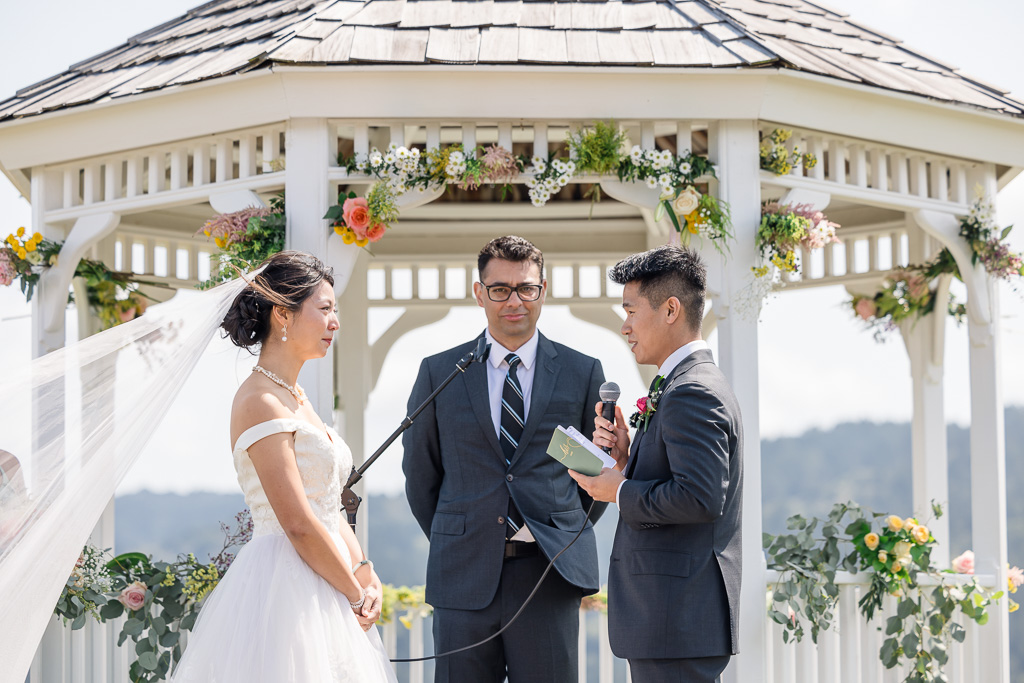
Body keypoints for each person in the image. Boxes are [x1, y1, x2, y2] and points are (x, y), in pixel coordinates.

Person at [171, 251, 397, 683]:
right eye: (326, 309)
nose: (335, 322)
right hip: (286, 585)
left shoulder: (298, 397)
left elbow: (327, 505)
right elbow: (296, 521)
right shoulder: (260, 400)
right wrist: (353, 595)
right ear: (283, 316)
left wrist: (366, 572)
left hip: (330, 578)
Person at [402, 235, 607, 683]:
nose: (514, 300)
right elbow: (421, 475)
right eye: (500, 289)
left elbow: (598, 476)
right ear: (480, 294)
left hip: (547, 575)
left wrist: (560, 531)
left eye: (526, 288)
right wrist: (462, 532)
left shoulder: (582, 371)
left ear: (543, 291)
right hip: (462, 573)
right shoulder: (439, 372)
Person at [570, 245, 743, 683]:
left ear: (670, 309)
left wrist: (618, 490)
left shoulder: (693, 390)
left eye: (630, 310)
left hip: (677, 618)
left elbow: (700, 497)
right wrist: (627, 463)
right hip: (671, 621)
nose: (624, 326)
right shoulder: (683, 383)